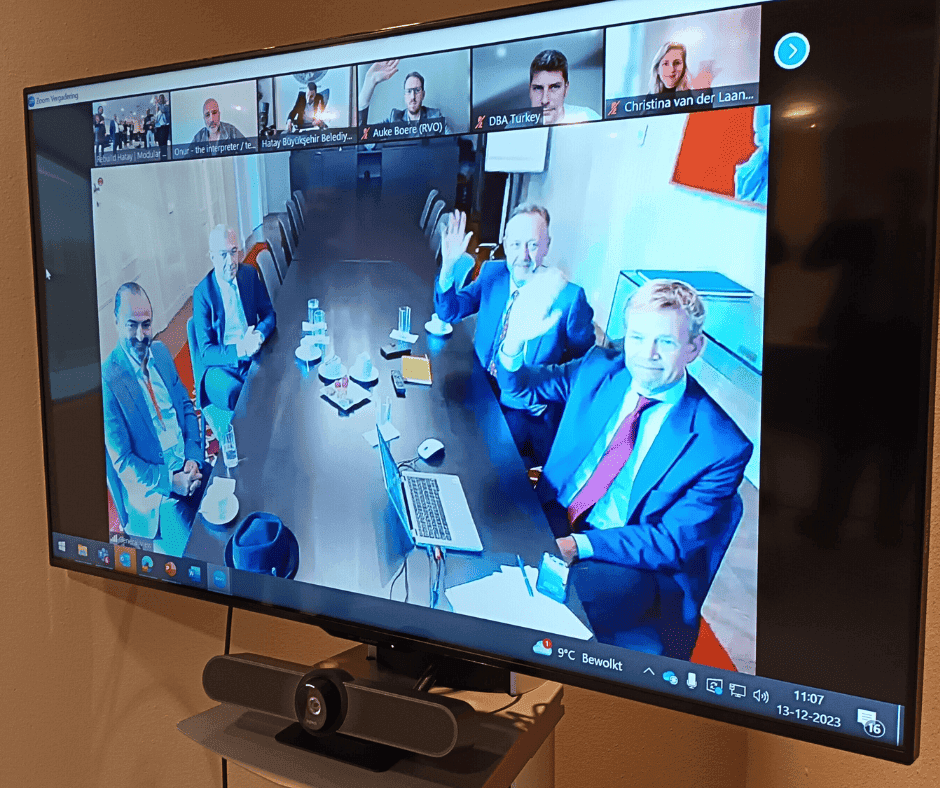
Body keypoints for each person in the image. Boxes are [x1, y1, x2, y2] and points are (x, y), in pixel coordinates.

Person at [496, 278, 753, 659]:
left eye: (665, 342)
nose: (646, 354)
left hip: (632, 559)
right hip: (556, 513)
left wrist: (578, 545)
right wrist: (514, 343)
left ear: (694, 348)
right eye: (637, 337)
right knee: (491, 553)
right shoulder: (600, 368)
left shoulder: (721, 445)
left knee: (543, 605)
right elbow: (520, 391)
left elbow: (671, 542)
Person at [434, 205, 595, 464]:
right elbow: (449, 311)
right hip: (480, 385)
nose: (523, 255)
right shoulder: (492, 273)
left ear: (547, 246)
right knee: (442, 433)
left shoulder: (568, 297)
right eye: (516, 244)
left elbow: (585, 368)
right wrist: (448, 269)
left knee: (493, 469)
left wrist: (546, 394)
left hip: (524, 408)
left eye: (533, 245)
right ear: (505, 244)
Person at [102, 283, 205, 556]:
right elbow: (123, 462)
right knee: (200, 554)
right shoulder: (106, 382)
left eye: (146, 324)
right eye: (131, 325)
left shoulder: (160, 353)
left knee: (230, 507)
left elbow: (185, 406)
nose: (140, 335)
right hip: (156, 497)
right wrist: (171, 482)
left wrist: (193, 456)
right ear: (115, 322)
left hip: (188, 466)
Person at [192, 225, 276, 412]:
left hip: (253, 352)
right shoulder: (202, 294)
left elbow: (269, 314)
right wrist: (240, 349)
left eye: (233, 252)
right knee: (238, 394)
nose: (231, 261)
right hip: (222, 365)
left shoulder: (249, 275)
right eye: (223, 255)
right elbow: (206, 353)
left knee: (281, 377)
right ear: (212, 257)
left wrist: (259, 335)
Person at [358, 61, 450, 130]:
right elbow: (364, 137)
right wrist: (369, 83)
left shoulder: (435, 117)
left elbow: (451, 144)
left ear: (423, 94)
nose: (412, 97)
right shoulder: (394, 118)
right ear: (404, 95)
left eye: (417, 90)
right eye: (409, 91)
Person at [528, 49, 600, 125]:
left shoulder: (587, 117)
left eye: (554, 87)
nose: (545, 100)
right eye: (538, 88)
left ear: (566, 89)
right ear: (530, 90)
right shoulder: (516, 123)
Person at [154, 94, 170, 158]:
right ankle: (162, 155)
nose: (160, 100)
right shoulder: (158, 108)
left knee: (164, 143)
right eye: (159, 99)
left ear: (163, 99)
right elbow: (157, 118)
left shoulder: (166, 107)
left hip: (164, 127)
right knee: (160, 142)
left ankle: (164, 155)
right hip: (159, 127)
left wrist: (159, 106)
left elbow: (166, 113)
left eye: (161, 99)